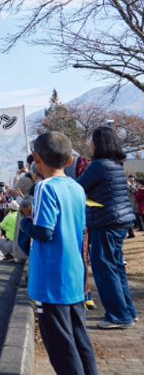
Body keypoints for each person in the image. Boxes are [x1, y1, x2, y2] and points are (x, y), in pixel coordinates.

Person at [19, 131, 98, 375]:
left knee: (60, 346)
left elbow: (44, 232)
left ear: (35, 159)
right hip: (74, 275)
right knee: (79, 338)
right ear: (69, 161)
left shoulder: (44, 187)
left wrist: (24, 222)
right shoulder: (76, 187)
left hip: (51, 277)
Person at [77, 126, 137, 329]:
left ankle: (119, 316)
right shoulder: (115, 164)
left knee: (104, 268)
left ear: (99, 142)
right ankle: (128, 311)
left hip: (106, 222)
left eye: (91, 139)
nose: (89, 143)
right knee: (116, 266)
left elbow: (79, 187)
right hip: (119, 220)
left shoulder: (99, 165)